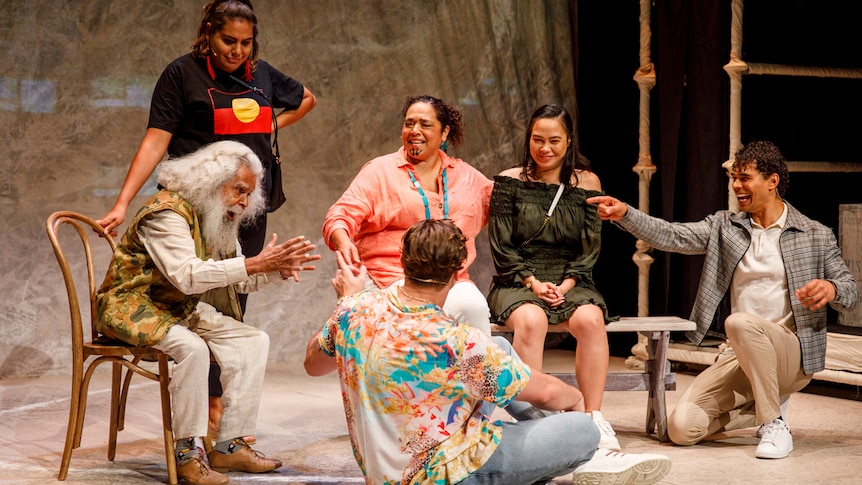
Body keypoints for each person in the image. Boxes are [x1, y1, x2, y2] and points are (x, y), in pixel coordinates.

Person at [303, 219, 672, 485]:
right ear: (457, 271)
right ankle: (591, 456)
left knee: (498, 347)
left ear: (403, 262)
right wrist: (578, 400)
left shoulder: (355, 310)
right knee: (580, 430)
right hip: (448, 472)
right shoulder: (458, 340)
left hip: (386, 471)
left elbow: (313, 365)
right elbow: (547, 393)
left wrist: (345, 304)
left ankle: (556, 456)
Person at [96, 0, 317, 442]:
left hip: (241, 203)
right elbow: (156, 139)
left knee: (232, 301)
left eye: (245, 43)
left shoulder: (261, 74)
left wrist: (264, 128)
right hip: (198, 203)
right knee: (202, 291)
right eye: (227, 41)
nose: (237, 51)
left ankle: (227, 420)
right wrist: (123, 203)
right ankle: (208, 412)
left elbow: (306, 99)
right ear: (208, 34)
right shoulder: (183, 74)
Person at [588, 140, 858, 459]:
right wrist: (625, 215)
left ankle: (773, 423)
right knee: (681, 429)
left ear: (772, 181)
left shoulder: (813, 233)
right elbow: (672, 235)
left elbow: (850, 290)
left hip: (791, 353)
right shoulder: (725, 227)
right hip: (738, 354)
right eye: (734, 178)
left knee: (739, 322)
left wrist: (831, 289)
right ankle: (765, 403)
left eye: (745, 178)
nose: (736, 185)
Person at [96, 141, 321, 485]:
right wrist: (253, 263)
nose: (244, 202)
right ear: (212, 182)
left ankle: (230, 445)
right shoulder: (167, 213)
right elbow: (187, 276)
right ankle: (188, 452)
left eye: (249, 194)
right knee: (192, 348)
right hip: (131, 305)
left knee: (252, 340)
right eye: (239, 190)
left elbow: (233, 279)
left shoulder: (214, 216)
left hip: (175, 307)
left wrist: (274, 269)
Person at [487, 104, 619, 450]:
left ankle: (594, 417)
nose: (544, 148)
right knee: (530, 320)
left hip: (569, 280)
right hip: (517, 279)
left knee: (591, 319)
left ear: (569, 141)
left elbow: (590, 247)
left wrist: (565, 285)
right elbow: (501, 246)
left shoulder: (587, 183)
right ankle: (533, 419)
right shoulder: (509, 180)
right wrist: (533, 282)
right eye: (537, 139)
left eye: (554, 141)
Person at [322, 95, 494, 334]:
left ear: (444, 133)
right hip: (392, 279)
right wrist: (343, 240)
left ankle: (477, 370)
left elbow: (506, 202)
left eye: (425, 124)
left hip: (450, 281)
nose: (415, 131)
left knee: (472, 307)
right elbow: (340, 215)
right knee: (410, 330)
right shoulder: (380, 171)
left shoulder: (466, 176)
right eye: (409, 123)